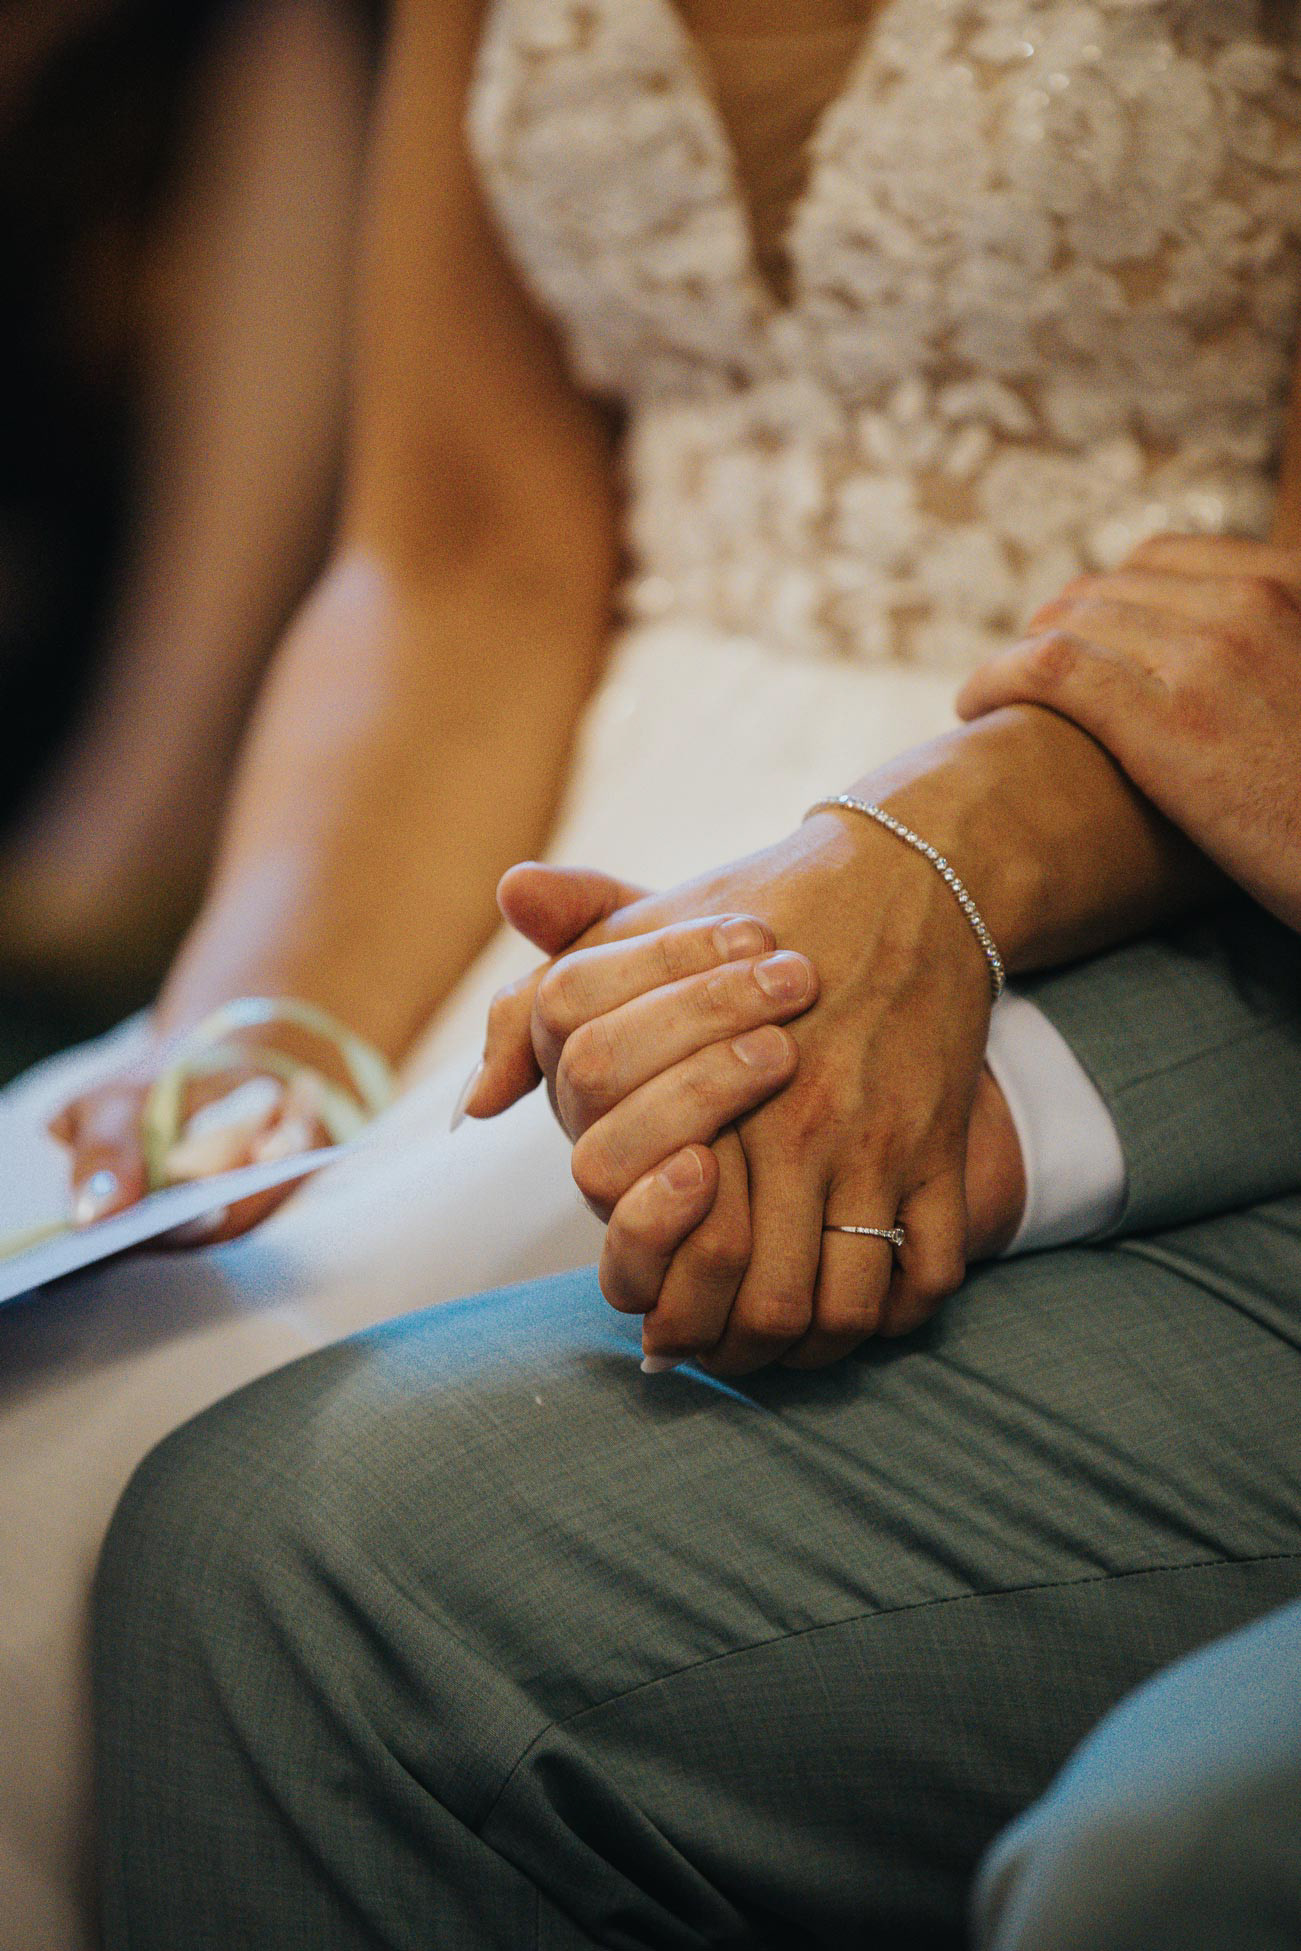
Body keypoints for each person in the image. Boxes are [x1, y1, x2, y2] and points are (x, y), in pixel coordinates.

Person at [8, 0, 1301, 1940]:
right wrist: (267, 1024)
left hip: (1095, 847)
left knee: (137, 1511)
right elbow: (459, 557)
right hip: (519, 827)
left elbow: (1267, 670)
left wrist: (916, 869)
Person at [93, 530, 1301, 1946]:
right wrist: (257, 1027)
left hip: (1089, 897)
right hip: (578, 823)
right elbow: (456, 562)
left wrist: (989, 1066)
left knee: (286, 1544)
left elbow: (1242, 720)